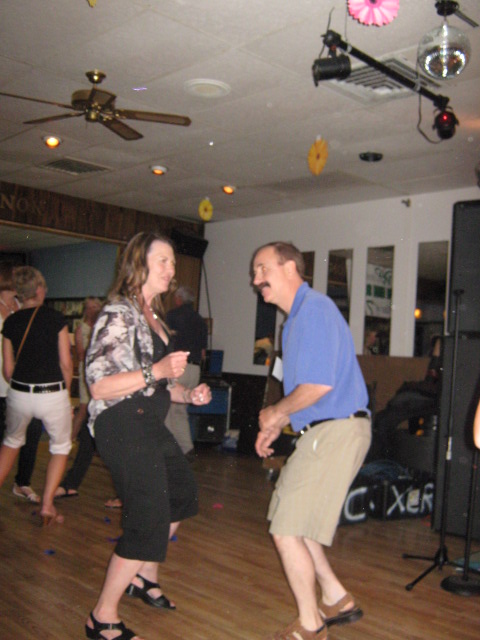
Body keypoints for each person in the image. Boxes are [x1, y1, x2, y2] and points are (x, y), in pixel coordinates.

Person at [84, 231, 211, 640]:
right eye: (163, 261)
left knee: (182, 494)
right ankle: (102, 617)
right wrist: (157, 371)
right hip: (121, 423)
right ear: (139, 264)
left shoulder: (155, 318)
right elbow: (99, 386)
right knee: (148, 517)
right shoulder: (117, 313)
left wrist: (189, 394)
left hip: (147, 421)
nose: (171, 269)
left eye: (173, 262)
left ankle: (144, 577)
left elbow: (158, 385)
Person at [252, 241, 371, 640]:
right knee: (293, 522)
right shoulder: (297, 320)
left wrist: (274, 412)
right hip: (329, 430)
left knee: (285, 529)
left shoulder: (314, 311)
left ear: (290, 268)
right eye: (254, 272)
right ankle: (336, 598)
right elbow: (306, 393)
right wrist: (277, 423)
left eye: (262, 269)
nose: (256, 279)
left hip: (334, 431)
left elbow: (319, 385)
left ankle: (311, 624)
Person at [0, 266, 73, 525]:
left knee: (11, 442)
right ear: (40, 290)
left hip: (19, 393)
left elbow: (8, 371)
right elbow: (66, 363)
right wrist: (64, 394)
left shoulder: (11, 322)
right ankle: (47, 505)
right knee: (60, 447)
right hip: (51, 393)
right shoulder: (55, 318)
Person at [0, 262, 43, 503]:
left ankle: (22, 482)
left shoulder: (22, 307)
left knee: (32, 431)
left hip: (23, 383)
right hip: (0, 384)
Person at [54, 297, 102, 499]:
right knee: (84, 411)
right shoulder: (83, 328)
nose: (92, 310)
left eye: (95, 306)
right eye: (89, 307)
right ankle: (69, 443)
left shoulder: (102, 326)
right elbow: (81, 354)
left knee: (89, 415)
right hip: (89, 373)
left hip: (102, 379)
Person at [369, 335, 442, 460]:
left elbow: (431, 380)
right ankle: (382, 458)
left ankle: (383, 458)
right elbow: (430, 378)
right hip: (425, 396)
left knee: (390, 415)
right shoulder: (439, 361)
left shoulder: (451, 358)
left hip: (434, 399)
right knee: (385, 418)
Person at [165, 285, 208, 456]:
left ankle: (172, 450)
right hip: (194, 369)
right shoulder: (201, 321)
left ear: (178, 299)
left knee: (167, 409)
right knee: (180, 411)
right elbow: (203, 352)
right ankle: (186, 448)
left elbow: (165, 343)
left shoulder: (172, 316)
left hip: (177, 367)